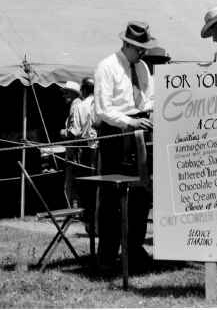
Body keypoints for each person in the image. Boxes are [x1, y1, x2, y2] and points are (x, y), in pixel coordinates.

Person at [94, 21, 157, 269]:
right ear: (127, 44)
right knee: (111, 197)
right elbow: (103, 109)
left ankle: (134, 249)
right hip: (115, 135)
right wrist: (130, 123)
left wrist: (148, 117)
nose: (143, 53)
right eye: (140, 48)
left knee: (141, 194)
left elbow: (148, 97)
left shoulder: (142, 68)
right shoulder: (107, 67)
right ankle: (107, 256)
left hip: (141, 133)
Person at [75, 76, 99, 233]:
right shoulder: (100, 104)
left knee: (87, 187)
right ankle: (96, 223)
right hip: (100, 148)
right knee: (99, 186)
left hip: (86, 148)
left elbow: (77, 131)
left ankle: (91, 224)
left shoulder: (80, 106)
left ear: (83, 90)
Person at [59, 81, 85, 209]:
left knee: (72, 181)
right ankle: (75, 210)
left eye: (66, 93)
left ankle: (73, 211)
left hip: (74, 147)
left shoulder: (76, 106)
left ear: (74, 94)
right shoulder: (77, 104)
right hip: (75, 147)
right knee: (75, 180)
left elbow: (76, 130)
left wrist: (64, 133)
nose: (63, 96)